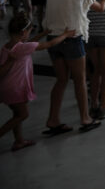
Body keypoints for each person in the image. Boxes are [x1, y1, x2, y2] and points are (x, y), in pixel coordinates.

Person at [43, 0, 105, 134]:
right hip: (72, 39)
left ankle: (53, 119)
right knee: (80, 80)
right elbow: (100, 7)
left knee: (61, 80)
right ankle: (85, 118)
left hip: (54, 40)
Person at [0, 14, 75, 151]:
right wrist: (65, 34)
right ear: (23, 32)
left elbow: (30, 43)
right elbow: (50, 44)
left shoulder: (8, 46)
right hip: (15, 88)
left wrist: (44, 33)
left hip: (7, 87)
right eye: (29, 31)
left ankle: (19, 141)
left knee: (17, 115)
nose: (29, 34)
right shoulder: (21, 48)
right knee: (23, 115)